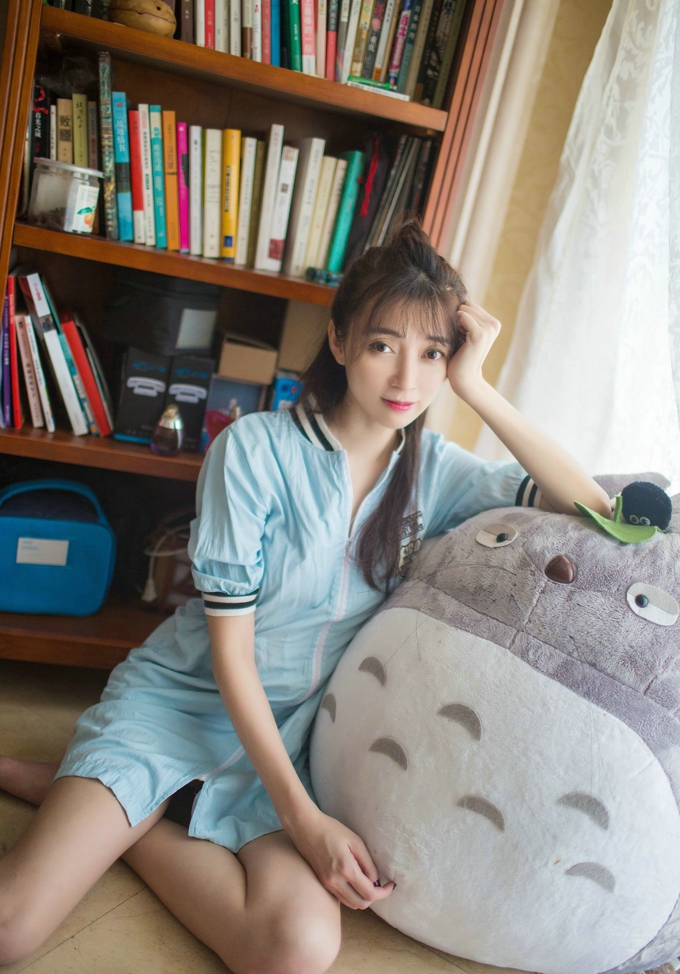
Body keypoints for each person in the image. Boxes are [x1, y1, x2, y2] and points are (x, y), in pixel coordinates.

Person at [0, 222, 611, 972]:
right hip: (179, 708)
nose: (407, 379)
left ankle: (130, 820)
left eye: (432, 354)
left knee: (297, 949)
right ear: (340, 339)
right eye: (384, 345)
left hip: (292, 741)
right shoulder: (254, 450)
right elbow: (231, 659)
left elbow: (594, 510)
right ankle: (116, 789)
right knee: (12, 929)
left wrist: (477, 386)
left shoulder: (440, 473)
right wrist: (304, 820)